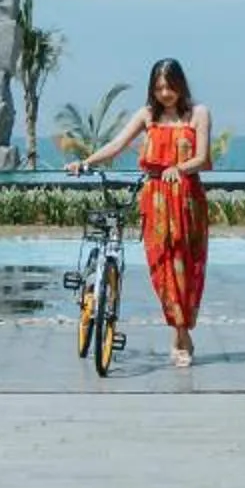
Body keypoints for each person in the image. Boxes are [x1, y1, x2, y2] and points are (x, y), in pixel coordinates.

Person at [68, 56, 213, 367]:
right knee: (162, 267)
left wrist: (179, 167)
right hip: (156, 199)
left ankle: (181, 334)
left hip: (188, 198)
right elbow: (117, 145)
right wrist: (86, 163)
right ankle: (179, 331)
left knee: (187, 268)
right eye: (159, 87)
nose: (165, 93)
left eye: (170, 86)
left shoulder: (198, 114)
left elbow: (202, 157)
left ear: (181, 85)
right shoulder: (147, 115)